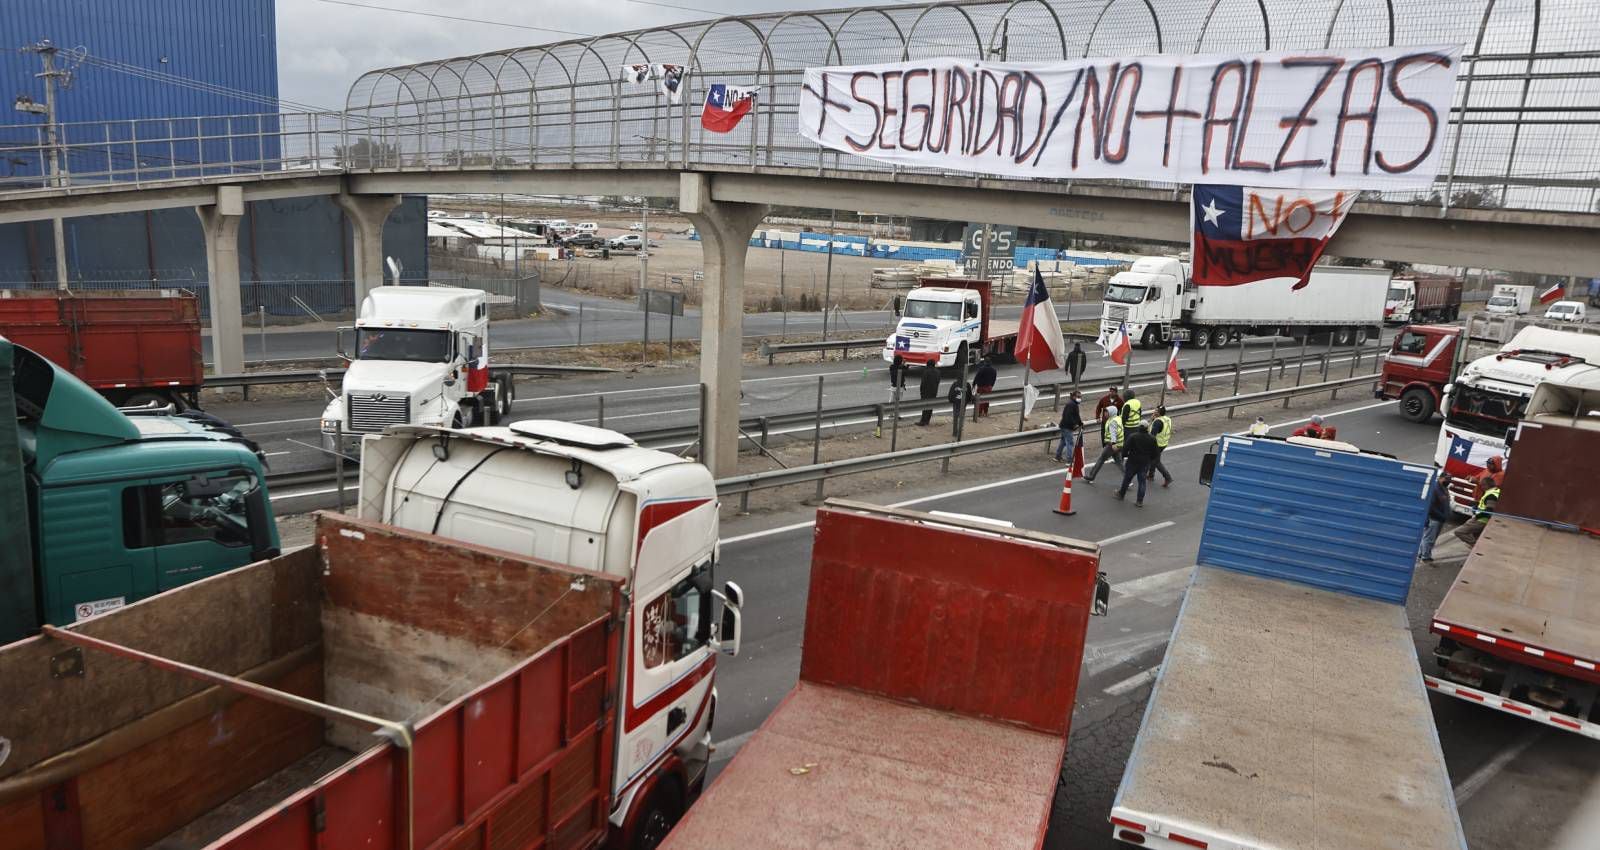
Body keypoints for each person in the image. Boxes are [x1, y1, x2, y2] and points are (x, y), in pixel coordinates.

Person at [1118, 423, 1159, 506]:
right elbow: (1155, 453)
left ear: (1139, 427)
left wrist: (1125, 455)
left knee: (1127, 479)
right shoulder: (1152, 438)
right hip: (1145, 463)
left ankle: (1121, 494)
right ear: (1147, 428)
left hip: (1132, 461)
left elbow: (1125, 448)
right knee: (1142, 482)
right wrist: (1149, 460)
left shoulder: (1133, 436)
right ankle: (1139, 501)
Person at [1084, 405, 1124, 482]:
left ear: (1111, 413)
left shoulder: (1112, 422)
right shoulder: (1118, 418)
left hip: (1112, 445)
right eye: (1105, 412)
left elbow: (1113, 433)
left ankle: (1091, 476)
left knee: (1101, 459)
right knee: (1119, 463)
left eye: (1107, 412)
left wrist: (1113, 444)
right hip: (1119, 444)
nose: (1105, 413)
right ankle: (1127, 480)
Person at [1418, 478, 1452, 563]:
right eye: (1447, 478)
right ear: (1441, 478)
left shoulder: (1444, 489)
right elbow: (1431, 507)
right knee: (1429, 538)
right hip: (1434, 518)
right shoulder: (1435, 489)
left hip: (1440, 519)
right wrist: (1442, 515)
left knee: (1430, 538)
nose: (1449, 480)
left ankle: (1421, 553)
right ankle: (1425, 556)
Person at [1146, 405, 1175, 487]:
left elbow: (1152, 435)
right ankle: (1151, 475)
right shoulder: (1167, 419)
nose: (1154, 411)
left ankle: (1168, 477)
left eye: (1155, 411)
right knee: (1154, 459)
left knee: (1156, 461)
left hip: (1157, 444)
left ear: (1158, 413)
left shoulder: (1157, 422)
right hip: (1164, 443)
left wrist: (1151, 420)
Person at [1056, 391, 1084, 462]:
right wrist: (1074, 424)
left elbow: (1076, 416)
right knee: (1070, 442)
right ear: (1073, 396)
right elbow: (1068, 416)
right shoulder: (1071, 404)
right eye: (1078, 397)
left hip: (1064, 426)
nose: (1079, 398)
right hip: (1067, 427)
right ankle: (1069, 460)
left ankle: (1057, 456)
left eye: (1080, 397)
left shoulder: (1073, 404)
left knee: (1063, 441)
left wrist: (1080, 423)